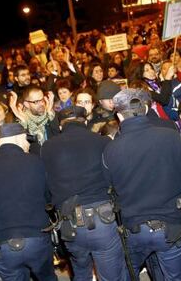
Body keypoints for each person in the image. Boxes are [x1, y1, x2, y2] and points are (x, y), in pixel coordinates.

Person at [102, 88, 181, 280]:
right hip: (171, 225)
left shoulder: (110, 149)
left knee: (127, 273)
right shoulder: (172, 137)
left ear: (119, 116)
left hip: (133, 228)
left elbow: (109, 191)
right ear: (147, 107)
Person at [41, 106, 128, 281]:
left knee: (81, 273)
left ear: (60, 126)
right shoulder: (102, 142)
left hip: (69, 224)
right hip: (103, 219)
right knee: (112, 276)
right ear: (86, 122)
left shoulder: (47, 148)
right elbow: (118, 178)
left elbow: (46, 187)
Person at [0, 123, 56, 281]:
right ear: (18, 138)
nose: (28, 143)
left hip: (2, 242)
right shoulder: (36, 162)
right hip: (36, 236)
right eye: (26, 139)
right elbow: (49, 197)